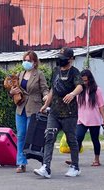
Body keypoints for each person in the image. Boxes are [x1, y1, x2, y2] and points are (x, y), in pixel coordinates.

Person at [34, 47, 83, 178]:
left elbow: (80, 86)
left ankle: (75, 166)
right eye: (60, 56)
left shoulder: (74, 72)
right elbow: (52, 90)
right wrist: (45, 105)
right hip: (54, 112)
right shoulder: (55, 71)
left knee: (71, 140)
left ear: (71, 59)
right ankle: (46, 167)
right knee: (49, 137)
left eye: (64, 57)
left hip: (69, 113)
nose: (61, 59)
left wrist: (72, 94)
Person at [9, 51, 49, 173]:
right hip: (21, 107)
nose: (26, 62)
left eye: (29, 60)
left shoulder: (39, 74)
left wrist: (46, 97)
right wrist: (11, 92)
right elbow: (15, 89)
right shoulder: (20, 74)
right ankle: (21, 163)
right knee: (21, 135)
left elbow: (45, 89)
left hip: (34, 108)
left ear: (35, 62)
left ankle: (43, 160)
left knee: (32, 136)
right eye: (25, 60)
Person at [70, 69, 104, 167]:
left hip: (94, 120)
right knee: (78, 137)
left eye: (86, 81)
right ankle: (74, 159)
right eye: (82, 81)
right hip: (81, 119)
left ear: (90, 80)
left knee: (95, 139)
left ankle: (97, 159)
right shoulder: (79, 90)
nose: (84, 83)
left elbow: (101, 105)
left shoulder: (97, 90)